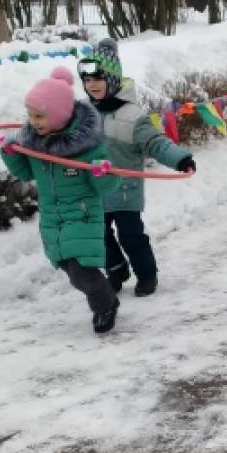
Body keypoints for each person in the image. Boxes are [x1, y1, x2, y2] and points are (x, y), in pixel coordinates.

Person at [0, 67, 122, 334]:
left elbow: (107, 185)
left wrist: (103, 171)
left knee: (81, 270)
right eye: (31, 115)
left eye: (40, 116)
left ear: (58, 115)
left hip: (82, 214)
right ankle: (104, 299)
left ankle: (105, 305)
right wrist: (10, 153)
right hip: (53, 218)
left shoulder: (88, 148)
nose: (33, 122)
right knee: (69, 268)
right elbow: (25, 172)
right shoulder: (35, 144)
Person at [77, 39, 195, 298]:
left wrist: (180, 159)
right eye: (87, 81)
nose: (92, 85)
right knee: (99, 235)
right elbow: (67, 143)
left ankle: (147, 274)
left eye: (98, 78)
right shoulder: (83, 115)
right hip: (95, 190)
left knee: (132, 237)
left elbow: (156, 143)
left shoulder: (133, 116)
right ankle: (116, 271)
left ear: (112, 79)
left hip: (124, 191)